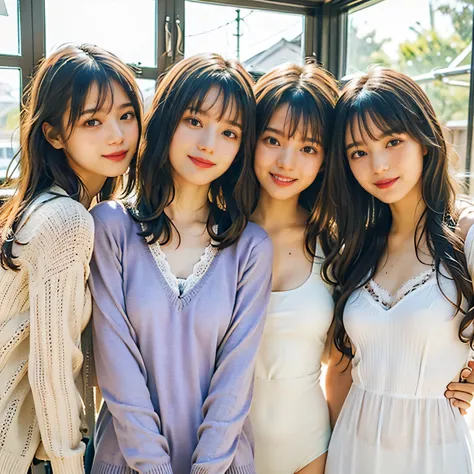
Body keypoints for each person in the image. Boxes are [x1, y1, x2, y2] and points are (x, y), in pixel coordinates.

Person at [89, 53, 273, 474]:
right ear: (167, 119)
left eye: (229, 132)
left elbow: (235, 377)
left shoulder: (250, 247)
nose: (209, 143)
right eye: (194, 120)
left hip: (223, 464)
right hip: (125, 462)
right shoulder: (111, 228)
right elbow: (117, 370)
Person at [324, 67, 474, 474]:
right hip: (352, 449)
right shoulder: (354, 246)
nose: (379, 164)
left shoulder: (466, 235)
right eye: (358, 152)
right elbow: (341, 372)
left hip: (434, 453)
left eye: (393, 141)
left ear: (425, 141)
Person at [0, 43, 141, 474]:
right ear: (54, 134)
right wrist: (69, 466)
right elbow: (52, 373)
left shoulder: (44, 205)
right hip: (26, 456)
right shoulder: (66, 220)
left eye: (126, 115)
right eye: (92, 121)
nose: (116, 134)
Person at [249, 61, 338, 474]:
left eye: (308, 148)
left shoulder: (337, 243)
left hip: (309, 447)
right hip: (219, 445)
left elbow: (352, 360)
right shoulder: (215, 233)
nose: (287, 162)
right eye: (273, 139)